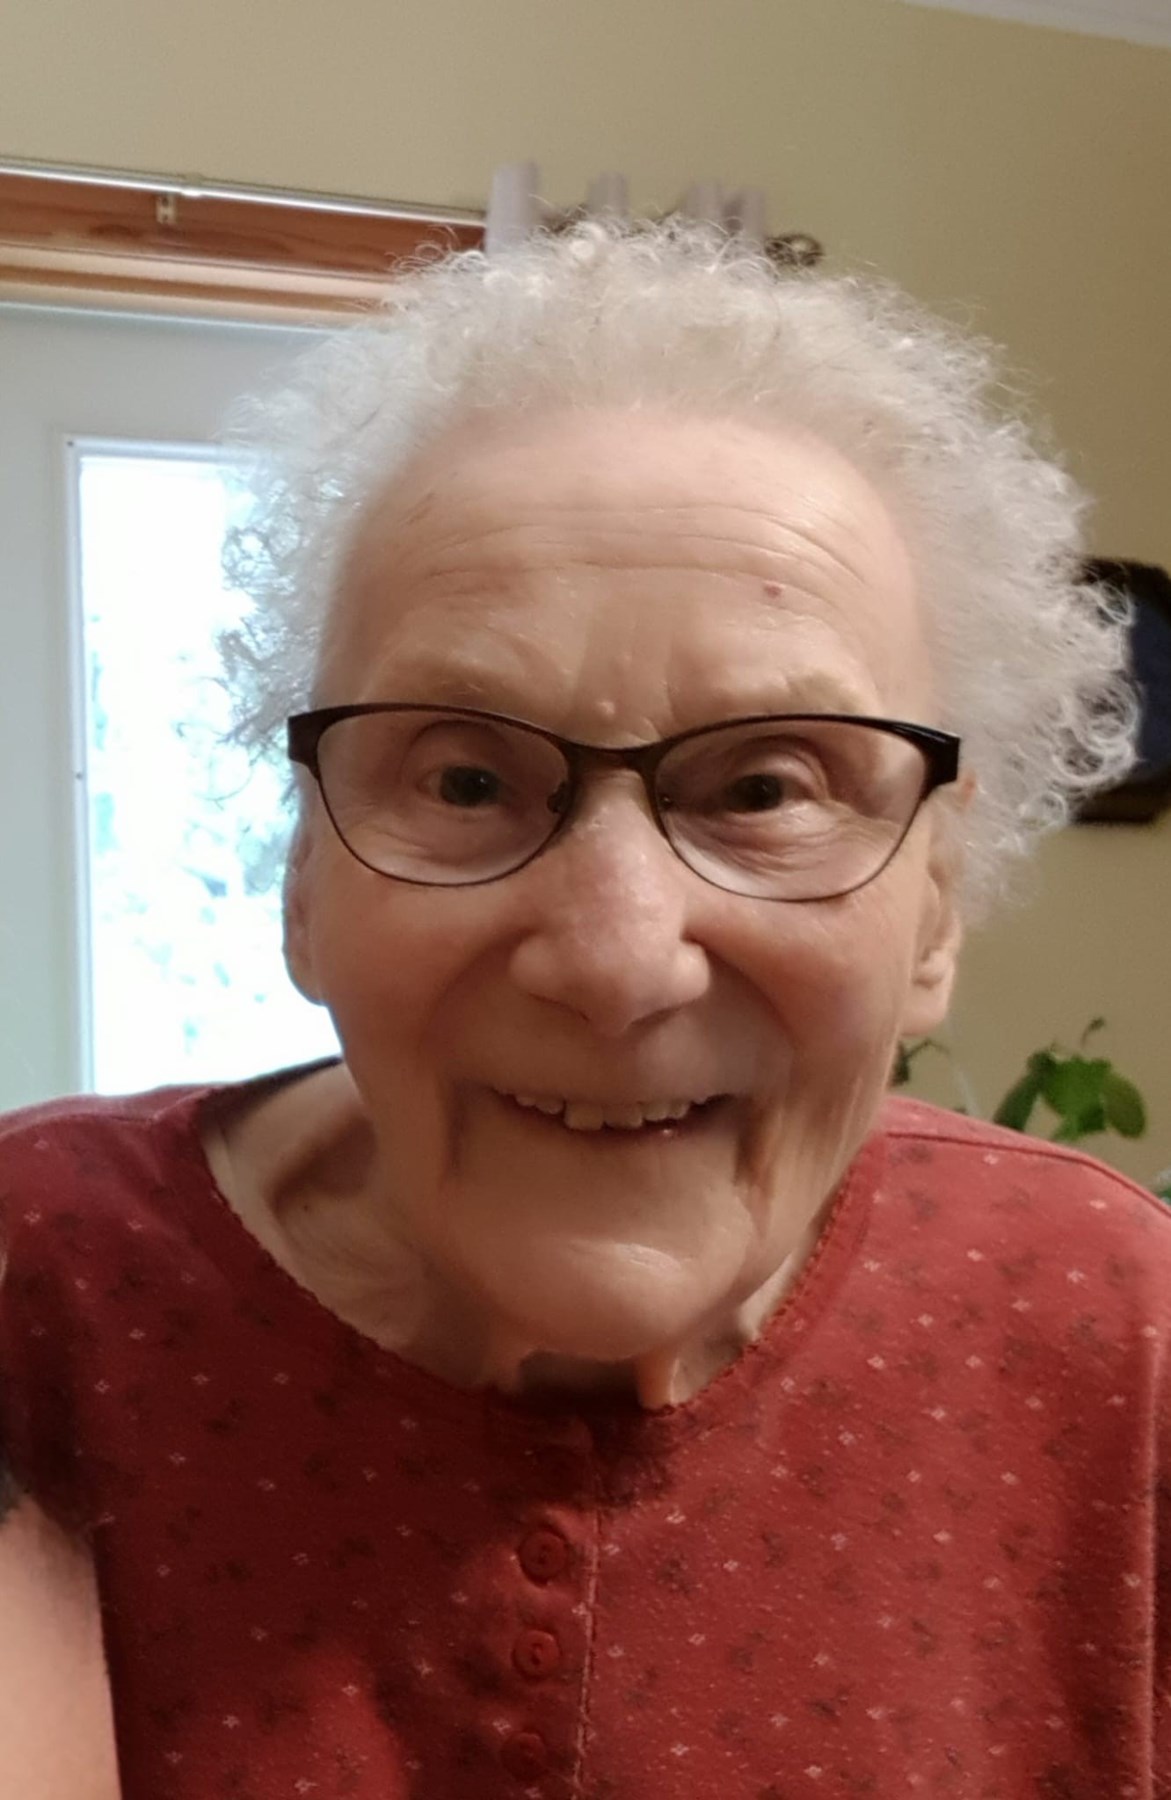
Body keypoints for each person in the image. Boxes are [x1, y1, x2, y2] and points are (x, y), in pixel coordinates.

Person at [0, 220, 1164, 1800]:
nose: (616, 962)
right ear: (304, 882)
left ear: (936, 909)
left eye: (767, 787)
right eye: (466, 780)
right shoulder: (34, 1286)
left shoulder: (1111, 1333)